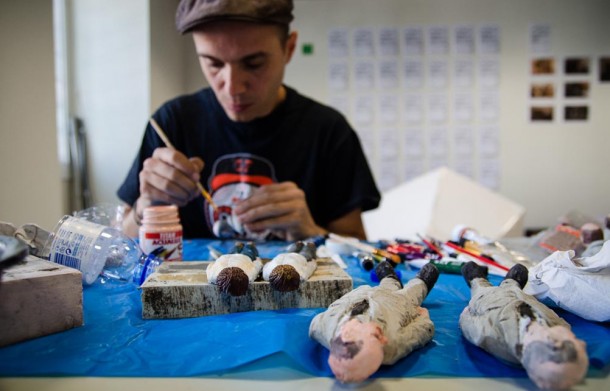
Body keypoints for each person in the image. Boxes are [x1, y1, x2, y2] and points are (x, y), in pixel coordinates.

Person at [117, 0, 380, 241]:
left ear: (288, 49)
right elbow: (122, 242)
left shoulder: (329, 131)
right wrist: (146, 206)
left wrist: (310, 231)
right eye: (213, 64)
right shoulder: (171, 124)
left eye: (253, 64)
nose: (233, 88)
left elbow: (359, 250)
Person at [459, 261, 588, 390]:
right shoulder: (558, 326)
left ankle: (477, 279)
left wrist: (466, 314)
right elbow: (553, 315)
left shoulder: (496, 339)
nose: (583, 343)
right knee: (519, 272)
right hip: (518, 295)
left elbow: (473, 328)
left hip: (490, 300)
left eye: (575, 341)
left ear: (553, 343)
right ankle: (510, 282)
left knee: (475, 277)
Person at [309, 261, 439, 383]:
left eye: (375, 336)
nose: (384, 339)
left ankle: (390, 278)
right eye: (379, 339)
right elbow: (415, 335)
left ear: (346, 331)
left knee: (387, 285)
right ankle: (421, 281)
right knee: (414, 292)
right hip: (399, 304)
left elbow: (316, 323)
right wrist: (424, 320)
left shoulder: (321, 327)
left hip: (367, 294)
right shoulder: (390, 348)